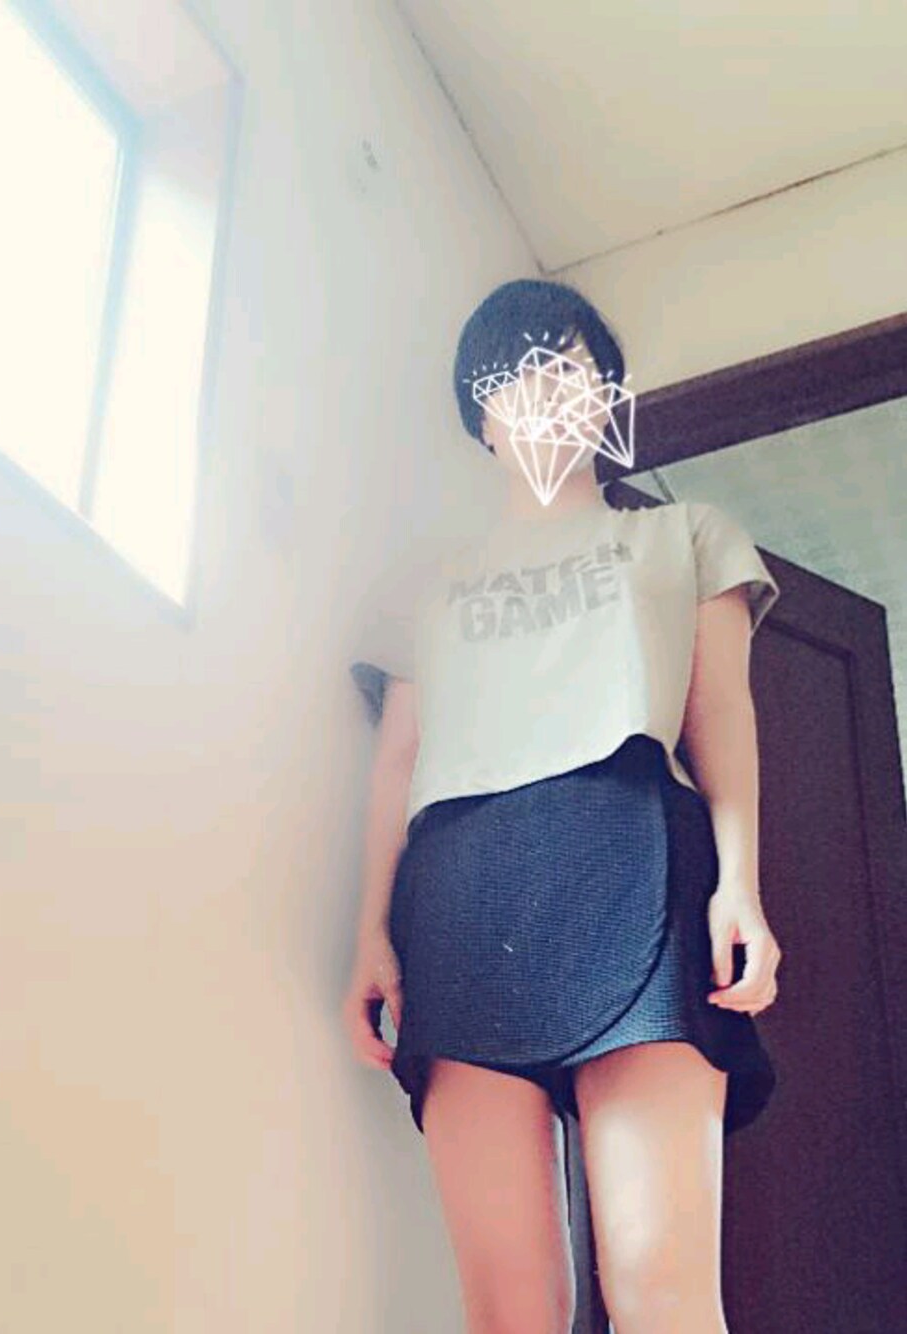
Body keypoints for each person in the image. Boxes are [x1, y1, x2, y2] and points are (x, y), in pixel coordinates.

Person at [343, 277, 784, 1334]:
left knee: (662, 1290)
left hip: (633, 856)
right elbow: (398, 758)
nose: (545, 389)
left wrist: (740, 886)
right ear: (479, 415)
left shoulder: (685, 535)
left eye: (569, 365)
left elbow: (719, 715)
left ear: (606, 396)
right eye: (516, 371)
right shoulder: (423, 578)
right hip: (459, 894)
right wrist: (369, 930)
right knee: (508, 1309)